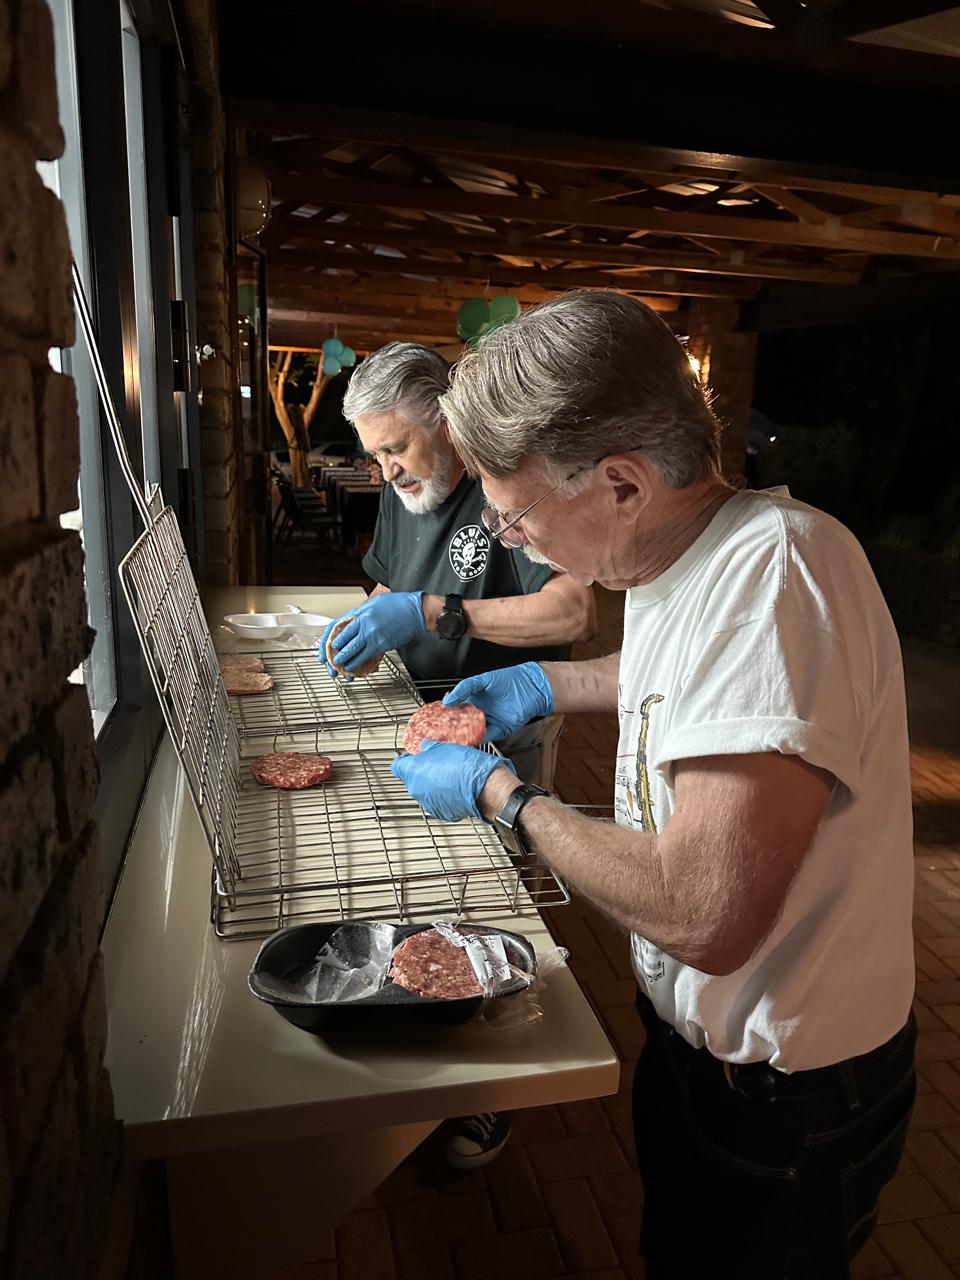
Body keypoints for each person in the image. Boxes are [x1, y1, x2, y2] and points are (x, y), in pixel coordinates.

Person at [391, 290, 917, 1279]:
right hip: (700, 1057)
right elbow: (673, 679)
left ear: (623, 483)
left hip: (785, 1092)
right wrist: (544, 683)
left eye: (515, 513)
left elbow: (701, 910)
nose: (509, 538)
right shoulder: (684, 554)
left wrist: (507, 796)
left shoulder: (773, 579)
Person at [319, 341, 597, 1168]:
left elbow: (573, 610)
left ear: (444, 420)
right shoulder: (402, 488)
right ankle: (437, 1030)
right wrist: (368, 626)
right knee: (431, 885)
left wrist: (430, 613)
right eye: (375, 454)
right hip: (420, 709)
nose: (386, 470)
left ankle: (500, 1079)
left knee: (502, 895)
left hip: (504, 722)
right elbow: (390, 584)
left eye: (395, 448)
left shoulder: (507, 480)